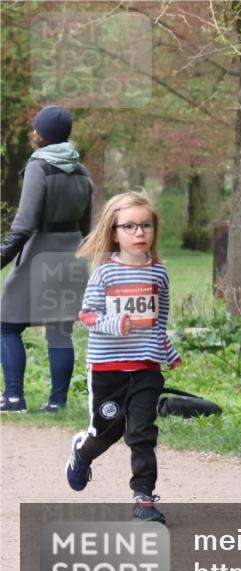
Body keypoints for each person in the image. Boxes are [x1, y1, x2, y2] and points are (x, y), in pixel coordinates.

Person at [66, 190, 181, 524]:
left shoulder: (158, 273)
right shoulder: (105, 274)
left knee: (142, 432)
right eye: (129, 227)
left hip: (146, 367)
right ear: (114, 233)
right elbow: (87, 316)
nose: (139, 233)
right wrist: (114, 323)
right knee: (107, 432)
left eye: (146, 225)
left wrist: (166, 349)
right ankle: (82, 452)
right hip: (108, 369)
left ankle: (143, 499)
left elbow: (160, 320)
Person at [0, 105, 92, 413]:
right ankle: (57, 403)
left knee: (6, 325)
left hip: (40, 251)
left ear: (41, 135)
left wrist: (2, 257)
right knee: (59, 329)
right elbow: (87, 226)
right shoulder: (82, 171)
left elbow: (24, 225)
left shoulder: (39, 166)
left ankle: (13, 398)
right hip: (72, 254)